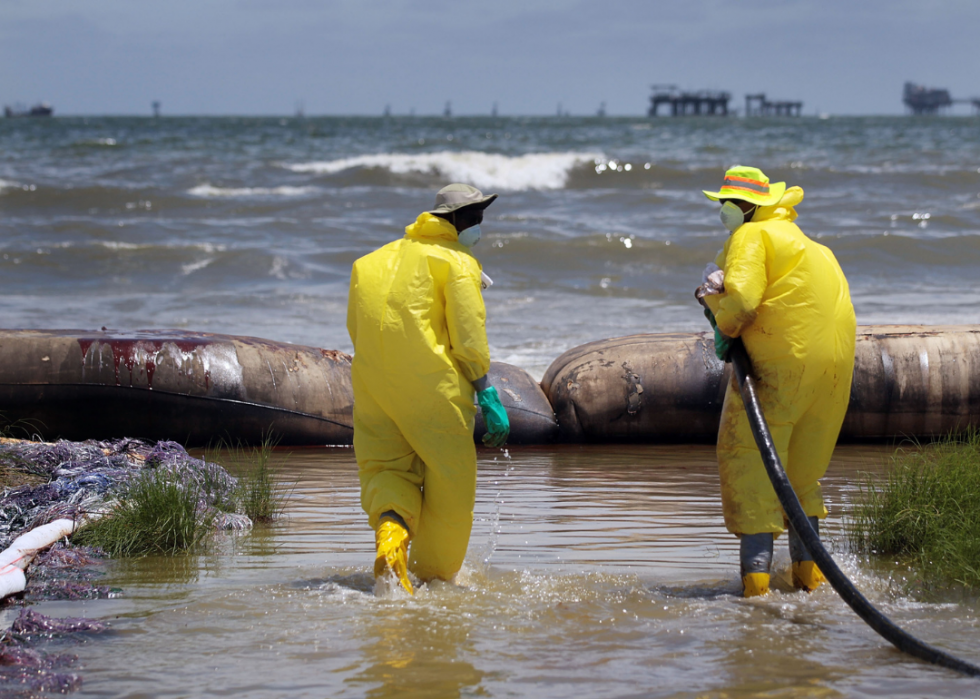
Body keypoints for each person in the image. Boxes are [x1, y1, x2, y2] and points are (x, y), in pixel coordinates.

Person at [696, 166, 856, 598]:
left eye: (725, 205)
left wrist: (715, 308)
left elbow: (744, 301)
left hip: (782, 369)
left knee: (750, 462)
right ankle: (810, 585)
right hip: (833, 372)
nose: (722, 212)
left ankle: (757, 595)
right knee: (801, 478)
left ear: (746, 207)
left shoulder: (752, 236)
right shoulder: (813, 247)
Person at [346, 183, 510, 595]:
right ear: (451, 220)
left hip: (373, 393)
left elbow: (357, 328)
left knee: (388, 472)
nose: (478, 226)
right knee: (452, 486)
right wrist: (486, 392)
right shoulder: (457, 262)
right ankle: (430, 580)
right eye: (473, 218)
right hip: (433, 392)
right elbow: (468, 338)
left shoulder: (369, 263)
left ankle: (392, 541)